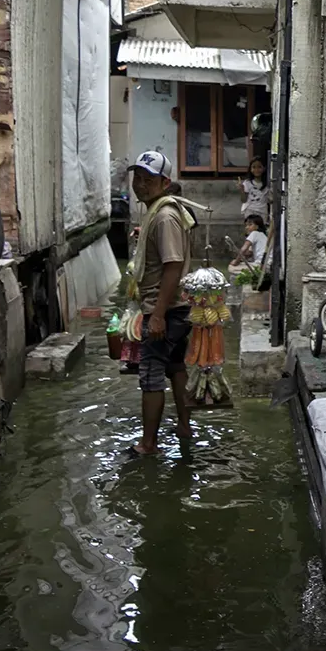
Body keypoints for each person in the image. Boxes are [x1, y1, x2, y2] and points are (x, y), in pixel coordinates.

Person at [127, 151, 196, 456]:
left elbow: (173, 266)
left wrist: (156, 316)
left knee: (151, 373)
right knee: (175, 365)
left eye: (148, 179)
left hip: (165, 309)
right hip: (176, 309)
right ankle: (183, 425)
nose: (140, 185)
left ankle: (148, 444)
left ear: (165, 182)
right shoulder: (159, 213)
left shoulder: (165, 216)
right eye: (137, 178)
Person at [237, 157, 269, 223]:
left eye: (259, 167)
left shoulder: (268, 184)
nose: (256, 170)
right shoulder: (247, 183)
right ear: (250, 169)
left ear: (264, 168)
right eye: (254, 167)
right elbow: (243, 200)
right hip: (250, 210)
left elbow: (270, 200)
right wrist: (242, 191)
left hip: (262, 211)